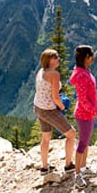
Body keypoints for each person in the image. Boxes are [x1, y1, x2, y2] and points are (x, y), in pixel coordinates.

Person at [33, 48, 76, 180]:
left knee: (46, 137)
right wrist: (62, 107)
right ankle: (69, 165)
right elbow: (55, 97)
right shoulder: (54, 74)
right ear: (49, 60)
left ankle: (44, 167)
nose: (59, 58)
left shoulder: (41, 71)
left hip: (38, 107)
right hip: (49, 110)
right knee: (71, 134)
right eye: (55, 57)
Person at [69, 45, 97, 189]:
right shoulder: (82, 75)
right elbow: (82, 98)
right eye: (91, 55)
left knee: (86, 141)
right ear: (86, 58)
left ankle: (83, 168)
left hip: (87, 113)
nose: (93, 57)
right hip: (84, 114)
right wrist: (93, 110)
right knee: (82, 144)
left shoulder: (85, 71)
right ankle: (77, 175)